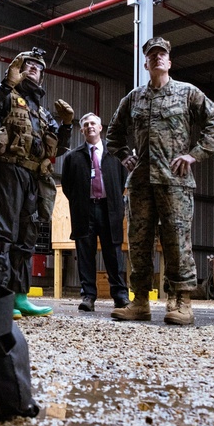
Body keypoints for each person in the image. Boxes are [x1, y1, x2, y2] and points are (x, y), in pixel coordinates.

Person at [106, 36, 214, 325]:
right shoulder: (133, 98)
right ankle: (141, 301)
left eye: (162, 55)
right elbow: (113, 134)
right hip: (142, 182)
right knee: (139, 242)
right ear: (146, 63)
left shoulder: (187, 93)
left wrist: (194, 154)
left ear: (169, 62)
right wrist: (124, 156)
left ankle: (181, 301)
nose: (158, 58)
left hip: (175, 182)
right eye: (152, 55)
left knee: (177, 241)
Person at [0, 48, 75, 318]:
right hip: (5, 171)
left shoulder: (41, 112)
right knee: (1, 234)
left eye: (37, 67)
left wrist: (66, 125)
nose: (32, 69)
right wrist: (7, 84)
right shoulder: (4, 94)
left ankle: (19, 296)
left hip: (32, 177)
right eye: (27, 64)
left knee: (26, 239)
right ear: (17, 67)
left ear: (42, 76)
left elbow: (56, 150)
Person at [61, 112, 129, 313]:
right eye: (86, 124)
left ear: (101, 128)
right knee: (85, 254)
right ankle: (88, 296)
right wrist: (80, 202)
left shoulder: (114, 155)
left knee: (113, 253)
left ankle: (120, 296)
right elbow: (67, 186)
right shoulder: (72, 157)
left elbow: (122, 181)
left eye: (93, 124)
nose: (90, 126)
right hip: (85, 211)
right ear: (82, 130)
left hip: (110, 209)